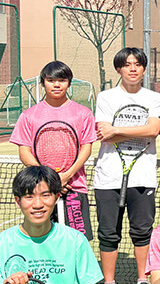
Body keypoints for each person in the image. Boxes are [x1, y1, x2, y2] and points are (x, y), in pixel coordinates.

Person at [93, 47, 160, 284]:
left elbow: (153, 130)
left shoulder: (154, 97)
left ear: (143, 69)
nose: (132, 68)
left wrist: (117, 130)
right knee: (108, 233)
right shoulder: (106, 97)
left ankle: (142, 282)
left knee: (142, 232)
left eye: (137, 64)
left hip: (142, 177)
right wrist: (138, 131)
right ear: (119, 69)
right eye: (127, 64)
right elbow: (103, 132)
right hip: (108, 177)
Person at [10, 60, 96, 239]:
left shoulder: (83, 113)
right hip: (40, 191)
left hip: (74, 187)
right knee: (41, 238)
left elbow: (86, 149)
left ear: (69, 83)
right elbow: (24, 152)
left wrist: (65, 177)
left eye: (62, 80)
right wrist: (49, 181)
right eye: (51, 80)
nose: (57, 84)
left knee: (76, 239)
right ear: (43, 82)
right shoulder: (28, 116)